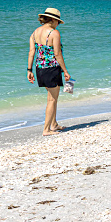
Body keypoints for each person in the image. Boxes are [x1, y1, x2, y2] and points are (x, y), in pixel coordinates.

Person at [27, 8, 71, 136]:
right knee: (52, 99)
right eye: (57, 21)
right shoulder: (54, 33)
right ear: (52, 20)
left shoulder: (34, 33)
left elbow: (31, 52)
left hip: (39, 69)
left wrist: (29, 70)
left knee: (52, 97)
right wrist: (65, 71)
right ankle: (46, 129)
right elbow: (57, 54)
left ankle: (54, 124)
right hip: (52, 69)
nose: (58, 24)